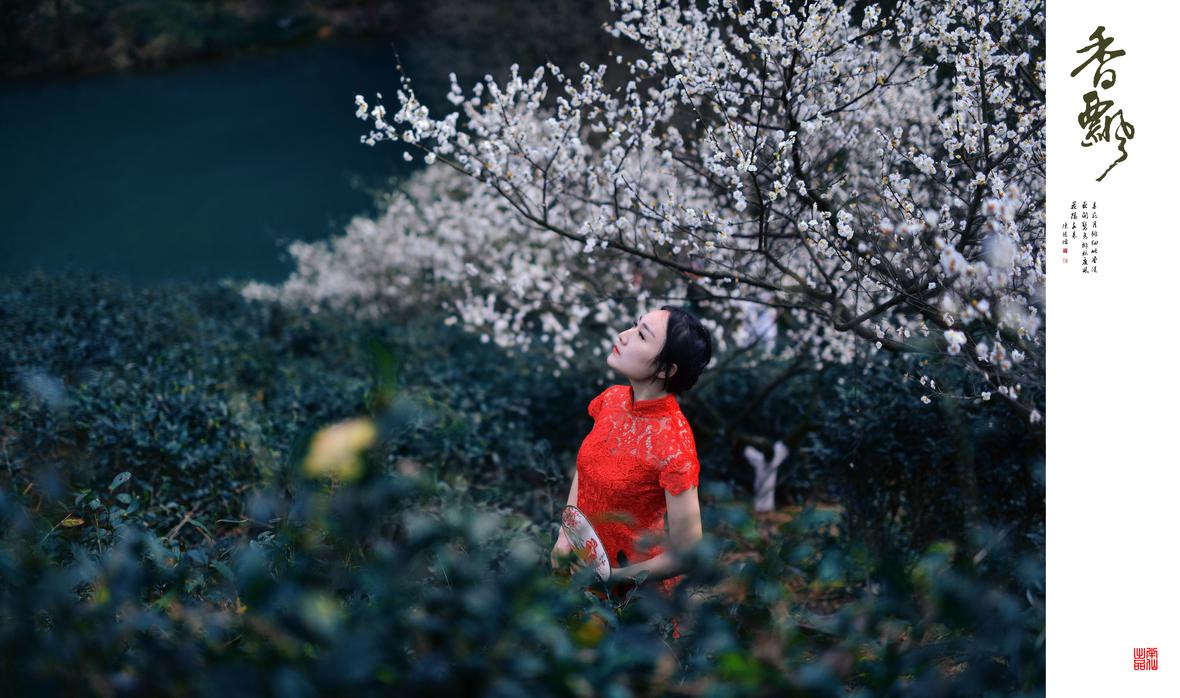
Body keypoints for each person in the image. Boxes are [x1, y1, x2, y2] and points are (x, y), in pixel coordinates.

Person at [550, 305, 713, 639]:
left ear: (666, 370)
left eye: (641, 335)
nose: (623, 336)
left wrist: (615, 577)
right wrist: (565, 536)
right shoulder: (610, 401)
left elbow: (688, 552)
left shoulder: (674, 444)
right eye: (634, 325)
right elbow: (586, 469)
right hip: (579, 576)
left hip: (636, 601)